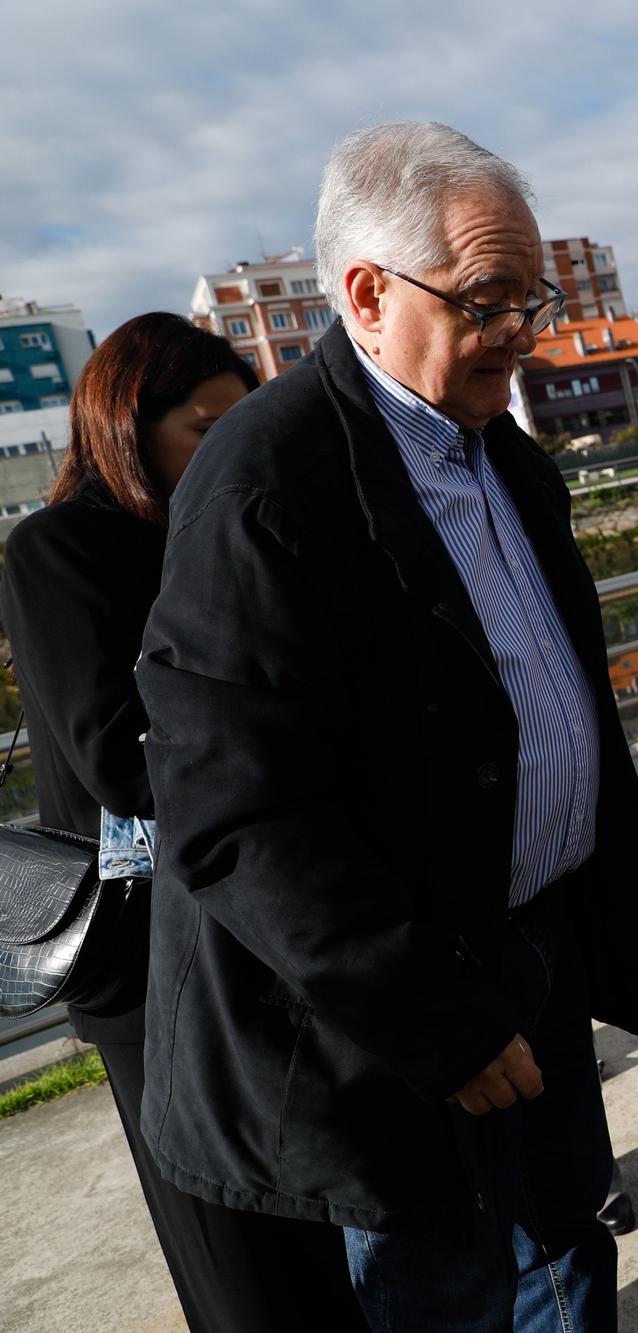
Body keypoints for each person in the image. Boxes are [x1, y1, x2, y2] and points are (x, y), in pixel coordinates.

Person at [133, 122, 638, 1331]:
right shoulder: (266, 485)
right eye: (487, 299)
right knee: (444, 1291)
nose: (520, 331)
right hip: (395, 1015)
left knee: (568, 1254)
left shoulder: (505, 454)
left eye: (530, 298)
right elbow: (234, 814)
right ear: (367, 295)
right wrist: (434, 1024)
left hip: (535, 949)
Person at [0, 314, 367, 1330]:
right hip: (153, 949)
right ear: (127, 425)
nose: (233, 445)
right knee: (239, 1262)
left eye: (242, 424)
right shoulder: (60, 548)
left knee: (330, 1221)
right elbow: (123, 758)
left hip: (273, 924)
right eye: (206, 428)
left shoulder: (236, 532)